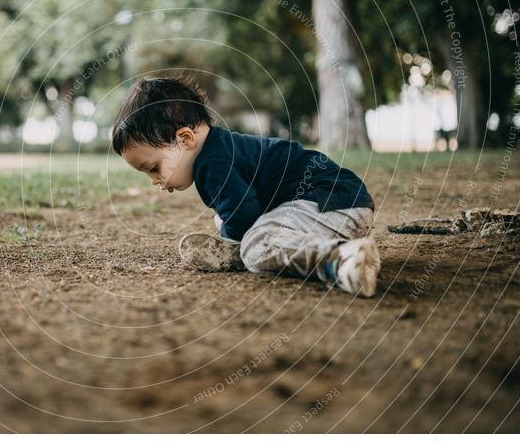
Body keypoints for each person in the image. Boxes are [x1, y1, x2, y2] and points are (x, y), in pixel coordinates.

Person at [111, 76, 381, 297]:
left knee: (256, 246)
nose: (155, 181)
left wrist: (232, 246)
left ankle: (337, 259)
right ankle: (357, 252)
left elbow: (243, 216)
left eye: (154, 168)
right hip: (339, 205)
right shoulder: (220, 149)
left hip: (329, 201)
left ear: (185, 139)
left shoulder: (214, 163)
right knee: (232, 224)